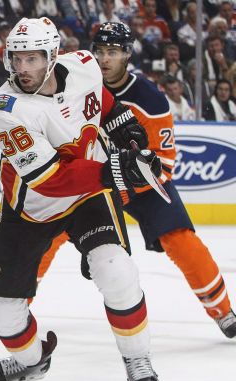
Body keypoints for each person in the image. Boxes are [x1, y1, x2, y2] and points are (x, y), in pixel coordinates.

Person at [0, 17, 162, 381]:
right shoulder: (6, 107)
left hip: (89, 198)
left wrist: (123, 125)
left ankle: (137, 357)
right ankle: (33, 361)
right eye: (17, 59)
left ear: (52, 55)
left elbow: (103, 101)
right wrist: (117, 169)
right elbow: (49, 180)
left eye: (32, 59)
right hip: (31, 208)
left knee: (115, 270)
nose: (23, 69)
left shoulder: (83, 65)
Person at [38, 22, 236, 339]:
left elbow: (164, 162)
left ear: (128, 54)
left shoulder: (150, 99)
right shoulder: (74, 85)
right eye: (100, 51)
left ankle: (223, 310)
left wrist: (126, 189)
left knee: (180, 238)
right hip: (93, 180)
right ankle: (17, 301)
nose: (104, 59)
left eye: (113, 52)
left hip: (140, 183)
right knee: (48, 233)